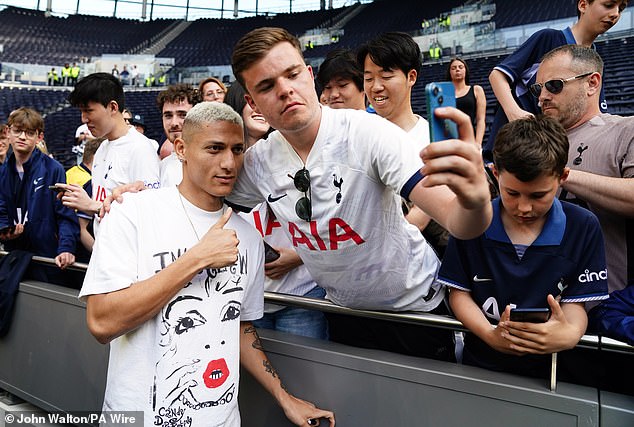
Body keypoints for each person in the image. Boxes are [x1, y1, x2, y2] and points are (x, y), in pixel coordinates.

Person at [226, 27, 492, 359]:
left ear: (309, 76)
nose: (285, 90)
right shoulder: (258, 163)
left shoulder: (370, 135)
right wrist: (257, 251)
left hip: (413, 310)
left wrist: (476, 201)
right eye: (266, 86)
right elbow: (214, 208)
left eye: (292, 74)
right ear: (252, 102)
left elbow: (459, 222)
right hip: (345, 314)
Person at [80, 102, 335, 427]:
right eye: (214, 149)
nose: (229, 163)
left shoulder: (249, 237)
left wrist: (284, 397)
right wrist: (196, 258)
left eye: (237, 149)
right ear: (182, 149)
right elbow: (102, 323)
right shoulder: (132, 212)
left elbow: (239, 325)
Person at [438, 115, 608, 378]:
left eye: (539, 195)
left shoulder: (583, 226)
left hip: (552, 371)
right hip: (479, 364)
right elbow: (459, 293)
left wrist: (570, 333)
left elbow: (577, 302)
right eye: (512, 193)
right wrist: (488, 334)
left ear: (562, 177)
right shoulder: (470, 221)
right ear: (495, 173)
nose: (524, 207)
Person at [224, 82, 328, 340]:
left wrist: (299, 255)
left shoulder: (298, 153)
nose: (258, 109)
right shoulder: (224, 166)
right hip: (248, 296)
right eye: (251, 103)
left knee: (307, 377)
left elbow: (333, 221)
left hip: (302, 294)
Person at [534, 44, 634, 295]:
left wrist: (561, 175)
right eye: (538, 87)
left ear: (592, 83)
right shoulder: (533, 138)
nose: (542, 96)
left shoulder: (625, 130)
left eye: (554, 85)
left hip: (608, 302)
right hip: (541, 299)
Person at [485, 0, 627, 157]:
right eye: (608, 5)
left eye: (621, 9)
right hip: (509, 148)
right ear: (583, 5)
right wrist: (514, 113)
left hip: (545, 156)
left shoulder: (595, 61)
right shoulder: (549, 38)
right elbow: (497, 75)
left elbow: (595, 115)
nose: (615, 14)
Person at [60, 72, 160, 235]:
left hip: (128, 254)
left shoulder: (141, 148)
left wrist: (92, 206)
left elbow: (149, 214)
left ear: (113, 107)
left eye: (89, 111)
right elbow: (103, 206)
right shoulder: (101, 149)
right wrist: (82, 200)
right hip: (105, 247)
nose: (83, 119)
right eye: (82, 112)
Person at [0, 107, 79, 285]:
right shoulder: (3, 172)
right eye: (17, 131)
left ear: (39, 137)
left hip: (48, 260)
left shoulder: (53, 169)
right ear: (8, 132)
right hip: (13, 257)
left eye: (29, 133)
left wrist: (66, 248)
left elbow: (65, 215)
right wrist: (4, 231)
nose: (22, 137)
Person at [157, 83, 200, 184]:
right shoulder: (162, 166)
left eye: (182, 115)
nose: (174, 123)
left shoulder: (212, 162)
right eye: (168, 116)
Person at [446, 57, 487, 147]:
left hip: (470, 138)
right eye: (453, 68)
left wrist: (478, 143)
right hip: (450, 140)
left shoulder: (476, 90)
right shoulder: (445, 94)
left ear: (465, 70)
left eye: (461, 67)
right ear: (449, 72)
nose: (457, 69)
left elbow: (481, 119)